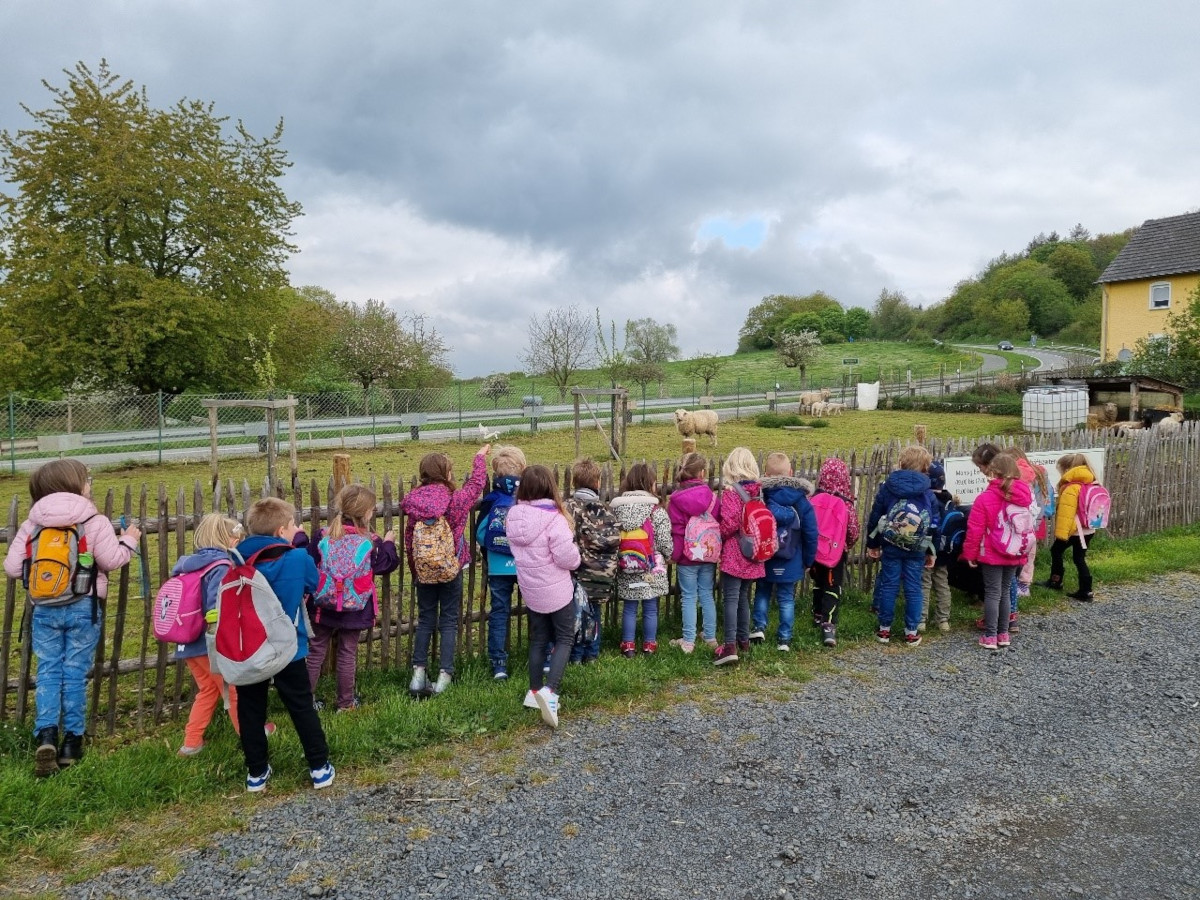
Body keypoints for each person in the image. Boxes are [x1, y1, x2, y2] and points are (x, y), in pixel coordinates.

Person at [4, 460, 140, 777]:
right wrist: (129, 540)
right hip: (83, 605)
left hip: (44, 608)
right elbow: (112, 559)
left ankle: (47, 734)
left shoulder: (32, 523)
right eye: (86, 479)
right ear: (76, 485)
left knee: (49, 670)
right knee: (74, 672)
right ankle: (72, 742)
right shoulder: (93, 519)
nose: (89, 484)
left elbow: (12, 568)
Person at [233, 497, 333, 792]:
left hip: (250, 648)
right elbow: (319, 588)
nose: (295, 530)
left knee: (251, 710)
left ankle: (256, 774)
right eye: (292, 526)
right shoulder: (297, 558)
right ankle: (319, 768)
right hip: (289, 647)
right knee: (301, 707)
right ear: (280, 531)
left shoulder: (235, 560)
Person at [174, 514, 276, 756]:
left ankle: (191, 742)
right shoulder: (220, 568)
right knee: (233, 690)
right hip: (208, 642)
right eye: (237, 539)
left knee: (208, 689)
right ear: (228, 540)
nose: (238, 543)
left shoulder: (188, 566)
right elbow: (215, 607)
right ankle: (251, 733)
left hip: (187, 641)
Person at [300, 484, 398, 711]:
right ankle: (345, 703)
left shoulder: (322, 536)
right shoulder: (371, 541)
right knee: (347, 652)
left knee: (315, 651)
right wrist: (389, 544)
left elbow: (310, 560)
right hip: (356, 606)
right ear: (366, 513)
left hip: (322, 605)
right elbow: (386, 565)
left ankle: (305, 702)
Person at [402, 445, 490, 695]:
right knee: (449, 621)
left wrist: (417, 569)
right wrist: (479, 458)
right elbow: (476, 485)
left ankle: (418, 676)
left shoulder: (414, 503)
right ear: (446, 474)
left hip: (424, 571)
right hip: (452, 567)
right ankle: (444, 677)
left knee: (426, 620)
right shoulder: (456, 499)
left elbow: (409, 541)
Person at [504, 465, 581, 728]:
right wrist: (577, 556)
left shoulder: (513, 516)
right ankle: (551, 691)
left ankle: (534, 691)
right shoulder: (553, 518)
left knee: (538, 639)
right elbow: (565, 556)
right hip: (557, 589)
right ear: (549, 487)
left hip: (531, 589)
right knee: (564, 638)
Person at [865, 445, 939, 647]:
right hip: (916, 548)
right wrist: (932, 550)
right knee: (914, 587)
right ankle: (911, 632)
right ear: (925, 467)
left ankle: (884, 630)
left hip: (891, 544)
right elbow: (934, 524)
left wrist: (872, 543)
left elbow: (875, 516)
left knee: (889, 585)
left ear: (901, 463)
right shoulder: (928, 493)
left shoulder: (888, 488)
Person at [960, 454, 1032, 650]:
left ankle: (990, 635)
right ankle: (1003, 633)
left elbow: (975, 530)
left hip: (992, 552)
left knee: (992, 592)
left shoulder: (985, 498)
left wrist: (970, 554)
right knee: (1006, 591)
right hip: (1015, 550)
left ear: (993, 472)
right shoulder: (1024, 495)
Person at [752, 452, 817, 652]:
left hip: (767, 558)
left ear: (766, 474)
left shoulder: (762, 497)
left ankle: (759, 627)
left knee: (762, 592)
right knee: (786, 598)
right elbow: (811, 533)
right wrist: (808, 560)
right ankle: (784, 638)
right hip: (792, 558)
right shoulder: (801, 501)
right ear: (790, 472)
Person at [476, 445, 527, 680]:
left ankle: (498, 664)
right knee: (537, 608)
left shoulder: (492, 499)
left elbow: (480, 533)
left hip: (498, 566)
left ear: (496, 474)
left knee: (499, 612)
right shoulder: (527, 498)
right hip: (525, 562)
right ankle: (545, 655)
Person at [611, 463, 673, 657]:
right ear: (650, 485)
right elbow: (664, 540)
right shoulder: (656, 510)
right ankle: (649, 644)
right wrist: (667, 553)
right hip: (651, 567)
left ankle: (628, 645)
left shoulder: (617, 509)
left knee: (629, 607)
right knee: (650, 607)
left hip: (626, 564)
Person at [563, 458, 620, 664]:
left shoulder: (569, 507)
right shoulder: (606, 510)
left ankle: (576, 655)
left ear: (573, 483)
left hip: (578, 574)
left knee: (578, 614)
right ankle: (593, 654)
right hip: (602, 574)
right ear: (597, 483)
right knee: (594, 613)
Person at [714, 447, 767, 665]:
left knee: (731, 598)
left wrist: (719, 532)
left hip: (736, 552)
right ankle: (743, 640)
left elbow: (729, 524)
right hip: (754, 552)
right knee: (745, 597)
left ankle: (729, 646)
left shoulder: (731, 492)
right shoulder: (759, 491)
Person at [665, 452, 720, 653]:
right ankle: (710, 636)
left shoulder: (676, 500)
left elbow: (678, 531)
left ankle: (688, 641)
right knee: (707, 593)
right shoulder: (712, 498)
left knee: (688, 596)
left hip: (688, 557)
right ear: (703, 473)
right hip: (708, 553)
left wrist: (676, 555)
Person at [809, 457, 861, 648]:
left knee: (818, 583)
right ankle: (828, 624)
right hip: (835, 556)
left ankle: (816, 614)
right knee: (832, 586)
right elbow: (853, 531)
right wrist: (847, 544)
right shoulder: (846, 505)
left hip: (815, 553)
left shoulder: (814, 499)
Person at [1046, 452, 1098, 601]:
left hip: (1073, 530)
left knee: (1056, 551)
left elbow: (1066, 513)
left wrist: (1061, 535)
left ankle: (1056, 581)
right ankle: (1086, 590)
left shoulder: (1072, 487)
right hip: (1089, 529)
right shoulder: (1092, 481)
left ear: (1067, 469)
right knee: (1079, 558)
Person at [918, 461, 955, 635]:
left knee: (924, 583)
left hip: (928, 548)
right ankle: (943, 620)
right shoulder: (949, 500)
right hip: (945, 551)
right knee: (942, 583)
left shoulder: (927, 500)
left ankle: (921, 620)